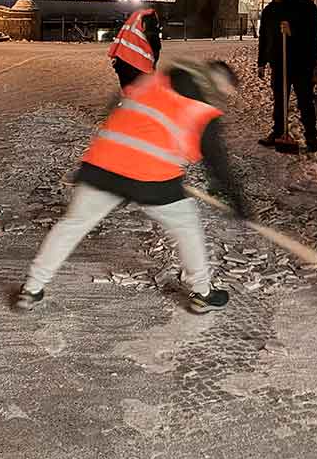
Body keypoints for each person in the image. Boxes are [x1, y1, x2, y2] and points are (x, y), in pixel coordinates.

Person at [15, 60, 249, 314]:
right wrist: (239, 205)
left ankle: (31, 288)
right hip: (152, 178)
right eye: (225, 94)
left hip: (102, 164)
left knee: (72, 225)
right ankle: (203, 293)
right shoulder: (203, 112)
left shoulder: (157, 79)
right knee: (187, 228)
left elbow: (117, 106)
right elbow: (218, 166)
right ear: (218, 85)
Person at [257, 0, 317, 151]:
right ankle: (278, 132)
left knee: (305, 100)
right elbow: (264, 37)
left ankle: (311, 137)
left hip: (301, 62)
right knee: (279, 100)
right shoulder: (270, 11)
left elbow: (314, 32)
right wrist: (261, 62)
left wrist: (293, 30)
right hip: (278, 63)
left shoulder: (305, 7)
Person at [109, 7, 162, 91]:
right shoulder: (150, 17)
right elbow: (154, 42)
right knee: (141, 94)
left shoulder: (135, 16)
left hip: (121, 61)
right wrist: (153, 66)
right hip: (136, 65)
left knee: (128, 92)